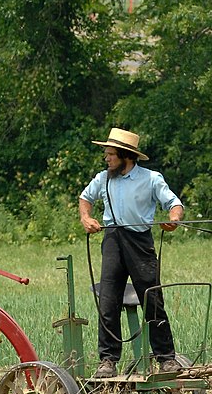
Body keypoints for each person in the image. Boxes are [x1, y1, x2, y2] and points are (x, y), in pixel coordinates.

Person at [78, 127, 185, 378]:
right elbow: (86, 198)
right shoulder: (103, 178)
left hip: (140, 242)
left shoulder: (151, 178)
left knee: (152, 300)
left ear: (126, 155)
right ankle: (107, 360)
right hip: (113, 239)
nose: (106, 158)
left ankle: (166, 358)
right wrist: (86, 217)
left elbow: (174, 203)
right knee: (108, 301)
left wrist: (173, 219)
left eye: (110, 154)